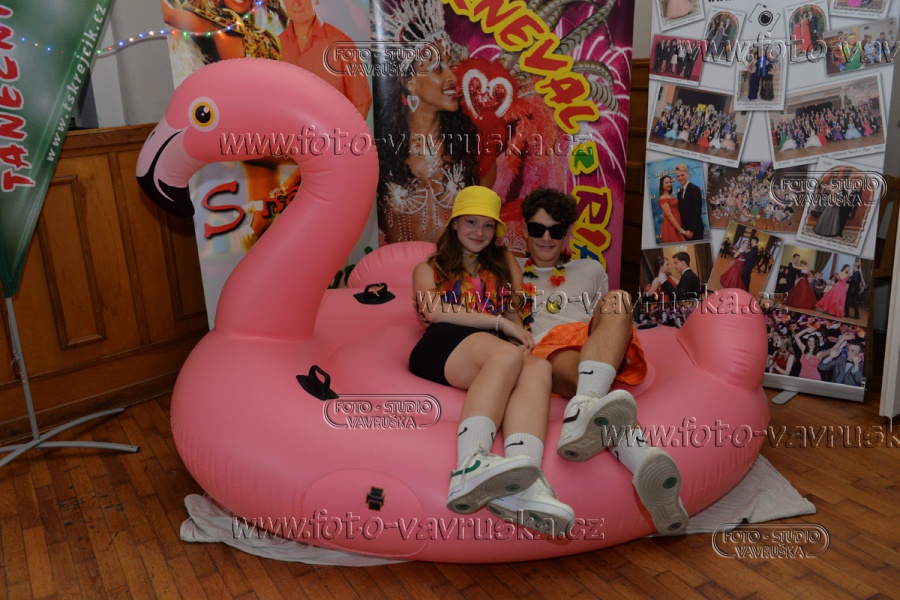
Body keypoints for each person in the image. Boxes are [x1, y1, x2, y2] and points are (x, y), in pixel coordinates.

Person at [518, 188, 687, 535]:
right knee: (584, 375)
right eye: (537, 229)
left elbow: (604, 323)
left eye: (556, 230)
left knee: (619, 298)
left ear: (568, 232)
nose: (546, 238)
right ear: (524, 230)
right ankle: (642, 460)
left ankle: (584, 409)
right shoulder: (509, 268)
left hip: (594, 347)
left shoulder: (590, 268)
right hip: (547, 352)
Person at [410, 186, 574, 533]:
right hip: (443, 344)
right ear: (455, 223)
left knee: (538, 366)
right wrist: (499, 324)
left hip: (495, 348)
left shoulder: (505, 263)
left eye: (488, 226)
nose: (479, 232)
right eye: (471, 222)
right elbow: (435, 312)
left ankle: (525, 480)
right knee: (506, 351)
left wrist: (521, 338)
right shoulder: (428, 268)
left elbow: (513, 315)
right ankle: (468, 467)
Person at [374, 0, 487, 244]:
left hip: (457, 268)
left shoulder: (470, 145)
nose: (452, 77)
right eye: (437, 68)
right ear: (410, 83)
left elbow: (485, 224)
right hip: (396, 267)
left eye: (450, 65)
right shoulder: (379, 147)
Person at [674, 164, 706, 241]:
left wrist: (691, 230)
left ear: (687, 174)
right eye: (678, 176)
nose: (680, 178)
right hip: (685, 230)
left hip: (695, 230)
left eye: (682, 175)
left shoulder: (694, 189)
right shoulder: (679, 192)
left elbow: (697, 211)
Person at [658, 175, 687, 243]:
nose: (669, 184)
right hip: (670, 225)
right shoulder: (662, 198)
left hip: (677, 222)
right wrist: (681, 230)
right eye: (666, 182)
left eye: (670, 182)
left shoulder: (671, 196)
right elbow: (669, 216)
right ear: (662, 185)